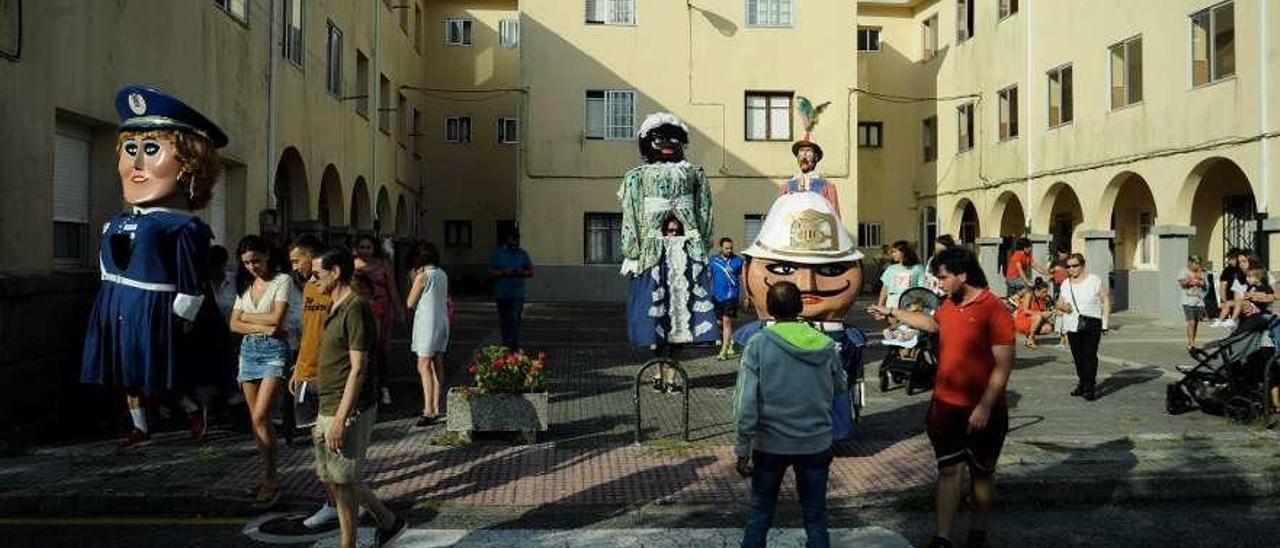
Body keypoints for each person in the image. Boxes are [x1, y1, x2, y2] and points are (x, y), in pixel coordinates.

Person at [81, 85, 228, 448]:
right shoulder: (115, 221)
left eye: (152, 150)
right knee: (126, 373)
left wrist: (185, 315)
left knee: (159, 375)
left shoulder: (184, 226)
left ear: (191, 165)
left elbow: (191, 277)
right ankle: (139, 427)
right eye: (131, 150)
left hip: (156, 309)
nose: (137, 164)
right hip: (116, 304)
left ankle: (193, 409)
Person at [867, 246, 1015, 548]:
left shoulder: (993, 309)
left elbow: (1004, 364)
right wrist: (893, 312)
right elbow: (933, 324)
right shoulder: (949, 305)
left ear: (963, 275)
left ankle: (977, 532)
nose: (939, 283)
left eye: (944, 277)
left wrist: (985, 406)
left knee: (981, 475)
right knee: (948, 470)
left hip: (983, 409)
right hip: (946, 406)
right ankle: (942, 537)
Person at [734, 281, 846, 548]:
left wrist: (742, 447)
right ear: (800, 307)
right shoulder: (826, 344)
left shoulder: (758, 343)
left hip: (770, 444)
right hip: (816, 442)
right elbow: (840, 386)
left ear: (770, 309)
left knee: (760, 515)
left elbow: (746, 401)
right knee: (816, 517)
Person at [309, 247, 407, 548]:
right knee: (333, 477)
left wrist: (341, 418)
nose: (312, 280)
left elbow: (358, 367)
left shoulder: (355, 307)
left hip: (347, 406)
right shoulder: (333, 305)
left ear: (335, 272)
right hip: (328, 402)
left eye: (317, 274)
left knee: (343, 481)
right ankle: (389, 522)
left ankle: (348, 543)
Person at [618, 112, 718, 359]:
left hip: (687, 248)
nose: (666, 144)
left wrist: (703, 245)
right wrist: (632, 252)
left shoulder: (695, 173)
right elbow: (630, 214)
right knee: (656, 313)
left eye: (673, 139)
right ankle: (659, 367)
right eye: (659, 138)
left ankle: (673, 367)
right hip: (653, 252)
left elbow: (705, 210)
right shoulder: (636, 176)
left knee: (682, 311)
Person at [285, 235, 343, 529]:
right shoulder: (308, 287)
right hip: (306, 375)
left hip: (332, 377)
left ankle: (342, 504)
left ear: (313, 256)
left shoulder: (337, 291)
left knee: (335, 447)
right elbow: (309, 331)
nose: (295, 267)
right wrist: (297, 368)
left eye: (298, 260)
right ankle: (332, 503)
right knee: (317, 446)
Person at [228, 235, 290, 508]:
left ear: (267, 255)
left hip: (274, 352)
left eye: (256, 260)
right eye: (247, 262)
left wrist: (249, 320)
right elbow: (233, 324)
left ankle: (272, 478)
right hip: (248, 352)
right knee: (256, 420)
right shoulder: (244, 283)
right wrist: (260, 325)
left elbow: (277, 320)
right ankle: (266, 473)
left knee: (263, 415)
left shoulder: (282, 281)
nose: (252, 267)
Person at [354, 234, 402, 406]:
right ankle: (366, 386)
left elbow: (392, 288)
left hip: (382, 308)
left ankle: (383, 385)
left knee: (382, 349)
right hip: (360, 309)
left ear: (374, 249)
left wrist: (399, 309)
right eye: (362, 247)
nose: (365, 251)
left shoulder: (383, 265)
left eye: (368, 247)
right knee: (363, 348)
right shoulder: (352, 266)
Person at [1055, 253, 1110, 401]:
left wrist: (1105, 323)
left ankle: (1090, 387)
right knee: (1078, 356)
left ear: (1082, 265)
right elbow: (1060, 303)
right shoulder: (1066, 283)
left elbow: (1105, 300)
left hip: (1092, 322)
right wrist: (1061, 306)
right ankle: (1083, 382)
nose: (1071, 269)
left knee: (1089, 355)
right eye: (1068, 266)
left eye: (1075, 265)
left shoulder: (1094, 280)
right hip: (1072, 324)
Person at [407, 242, 449, 427]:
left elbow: (410, 303)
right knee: (437, 364)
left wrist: (412, 279)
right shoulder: (442, 274)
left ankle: (428, 410)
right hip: (441, 321)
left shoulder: (422, 276)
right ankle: (435, 406)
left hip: (427, 323)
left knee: (423, 365)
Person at [488, 230, 534, 350]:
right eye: (511, 244)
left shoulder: (522, 254)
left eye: (516, 243)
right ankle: (506, 346)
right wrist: (503, 272)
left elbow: (531, 271)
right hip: (502, 294)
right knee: (504, 322)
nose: (514, 246)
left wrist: (521, 272)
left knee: (515, 321)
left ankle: (513, 347)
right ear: (507, 241)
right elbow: (490, 271)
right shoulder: (497, 253)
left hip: (517, 295)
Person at [710, 237, 745, 360]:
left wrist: (747, 295)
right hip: (717, 296)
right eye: (726, 248)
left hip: (731, 296)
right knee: (719, 322)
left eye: (731, 248)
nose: (729, 250)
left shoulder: (738, 261)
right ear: (720, 248)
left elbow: (743, 278)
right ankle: (730, 341)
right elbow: (708, 276)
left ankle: (723, 351)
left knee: (726, 321)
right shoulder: (713, 260)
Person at [877, 240, 926, 310]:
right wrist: (880, 305)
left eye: (895, 252)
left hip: (911, 304)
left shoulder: (918, 268)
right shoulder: (891, 269)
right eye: (892, 252)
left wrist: (918, 305)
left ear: (904, 252)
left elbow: (922, 289)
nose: (893, 254)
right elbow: (885, 289)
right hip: (892, 303)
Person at [1177, 255, 1210, 350]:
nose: (1198, 266)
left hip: (1199, 301)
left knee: (1195, 323)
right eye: (1196, 264)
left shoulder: (1202, 273)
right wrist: (1193, 279)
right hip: (1187, 301)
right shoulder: (1184, 271)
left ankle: (1191, 341)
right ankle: (1191, 344)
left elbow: (1205, 287)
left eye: (1199, 264)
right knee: (1191, 321)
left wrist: (1202, 281)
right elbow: (1182, 284)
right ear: (1190, 263)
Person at [1211, 248, 1249, 329]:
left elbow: (1223, 287)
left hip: (1237, 301)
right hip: (1235, 301)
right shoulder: (1238, 271)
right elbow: (1223, 287)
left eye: (1230, 259)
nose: (1229, 261)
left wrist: (1223, 301)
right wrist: (1224, 302)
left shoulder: (1229, 270)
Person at [1014, 279, 1057, 349]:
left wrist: (1049, 314)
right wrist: (1042, 314)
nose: (1046, 294)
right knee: (1038, 317)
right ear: (1037, 291)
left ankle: (1031, 335)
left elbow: (1042, 313)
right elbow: (1025, 310)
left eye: (1046, 292)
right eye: (1044, 292)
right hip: (1022, 320)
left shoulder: (1044, 299)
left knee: (1048, 328)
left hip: (1033, 319)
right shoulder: (1029, 295)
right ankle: (1030, 340)